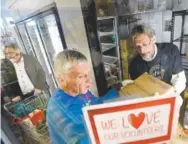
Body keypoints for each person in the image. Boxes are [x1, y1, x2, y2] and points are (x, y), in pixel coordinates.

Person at [46, 50, 120, 144]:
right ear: (61, 79)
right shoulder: (63, 109)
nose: (89, 80)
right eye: (81, 76)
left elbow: (96, 104)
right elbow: (88, 140)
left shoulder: (79, 91)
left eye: (87, 74)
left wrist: (116, 91)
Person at [129, 24, 186, 94]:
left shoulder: (171, 50)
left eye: (145, 44)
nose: (142, 51)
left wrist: (170, 95)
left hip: (172, 95)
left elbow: (179, 79)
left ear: (153, 40)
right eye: (138, 47)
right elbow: (138, 88)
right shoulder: (134, 65)